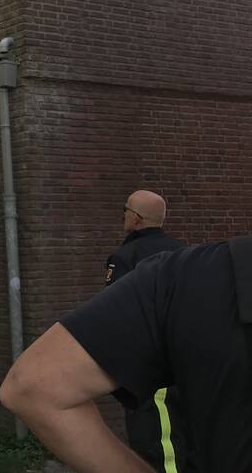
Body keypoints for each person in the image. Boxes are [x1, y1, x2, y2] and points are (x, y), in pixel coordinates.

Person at [0, 237, 252, 472]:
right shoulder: (178, 252)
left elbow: (33, 386)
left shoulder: (176, 274)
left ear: (135, 218)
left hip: (159, 374)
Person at [106, 191, 195, 472]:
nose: (123, 215)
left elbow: (118, 313)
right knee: (185, 435)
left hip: (150, 368)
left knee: (157, 442)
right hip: (187, 360)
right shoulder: (185, 252)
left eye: (124, 210)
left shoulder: (125, 256)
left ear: (135, 219)